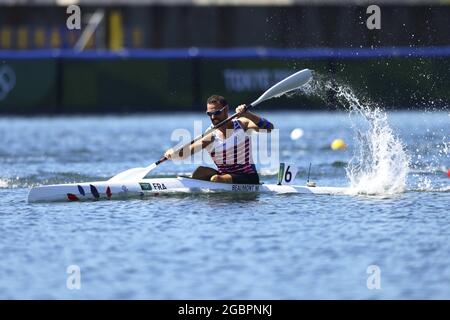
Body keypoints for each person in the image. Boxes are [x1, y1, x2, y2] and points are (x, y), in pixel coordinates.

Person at [164, 95, 274, 184]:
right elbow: (186, 153)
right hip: (224, 176)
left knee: (215, 179)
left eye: (216, 113)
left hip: (248, 178)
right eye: (209, 114)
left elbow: (269, 128)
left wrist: (248, 114)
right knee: (200, 172)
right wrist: (173, 153)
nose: (213, 117)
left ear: (226, 110)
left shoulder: (242, 124)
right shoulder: (210, 135)